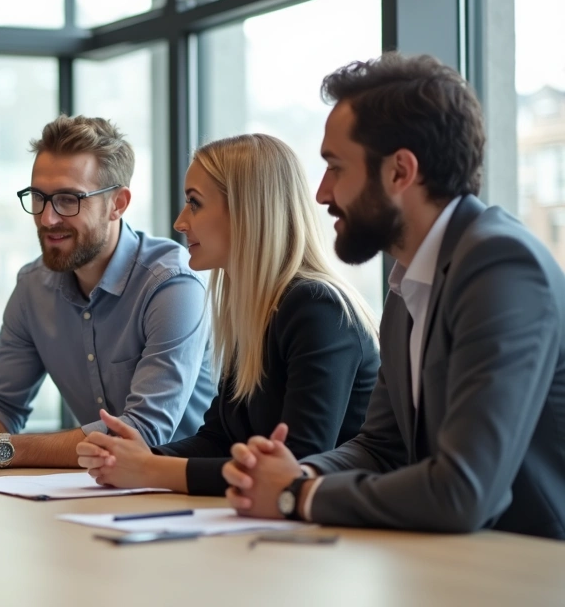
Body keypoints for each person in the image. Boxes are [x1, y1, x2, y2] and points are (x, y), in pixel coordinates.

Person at [222, 53, 565, 540]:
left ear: (400, 172)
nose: (322, 194)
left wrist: (295, 496)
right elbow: (381, 447)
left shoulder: (502, 267)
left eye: (335, 168)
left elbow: (462, 493)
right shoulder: (410, 279)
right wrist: (294, 474)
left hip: (527, 568)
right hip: (449, 563)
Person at [73, 134, 379, 495]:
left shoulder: (316, 309)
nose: (180, 222)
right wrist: (136, 457)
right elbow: (218, 439)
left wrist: (151, 469)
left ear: (248, 210)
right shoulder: (251, 311)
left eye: (194, 204)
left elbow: (293, 467)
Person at [0, 115, 216, 469]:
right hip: (91, 489)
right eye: (38, 198)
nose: (47, 219)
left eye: (68, 200)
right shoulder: (33, 286)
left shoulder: (171, 285)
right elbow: (3, 405)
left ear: (118, 204)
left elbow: (143, 433)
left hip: (184, 495)